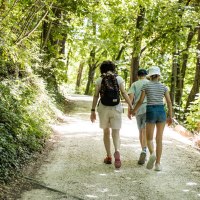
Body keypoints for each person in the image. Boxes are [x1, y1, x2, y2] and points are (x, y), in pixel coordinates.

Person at [90, 60, 133, 169]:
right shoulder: (119, 79)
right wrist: (131, 106)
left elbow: (96, 96)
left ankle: (109, 156)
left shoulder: (100, 80)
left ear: (102, 69)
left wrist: (92, 110)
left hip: (103, 108)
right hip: (116, 108)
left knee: (106, 132)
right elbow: (123, 93)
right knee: (116, 132)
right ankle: (117, 151)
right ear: (113, 68)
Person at [131, 66, 173, 171]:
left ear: (149, 76)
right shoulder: (164, 87)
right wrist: (170, 116)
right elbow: (169, 102)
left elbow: (140, 101)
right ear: (159, 75)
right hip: (161, 112)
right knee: (159, 139)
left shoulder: (146, 86)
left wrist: (134, 110)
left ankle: (152, 153)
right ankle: (158, 164)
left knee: (149, 138)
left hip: (150, 111)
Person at [127, 69, 149, 165]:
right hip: (149, 109)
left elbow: (130, 98)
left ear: (137, 76)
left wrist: (130, 110)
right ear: (146, 75)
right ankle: (145, 150)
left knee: (141, 131)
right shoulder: (150, 83)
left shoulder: (135, 84)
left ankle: (143, 149)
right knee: (145, 130)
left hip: (138, 109)